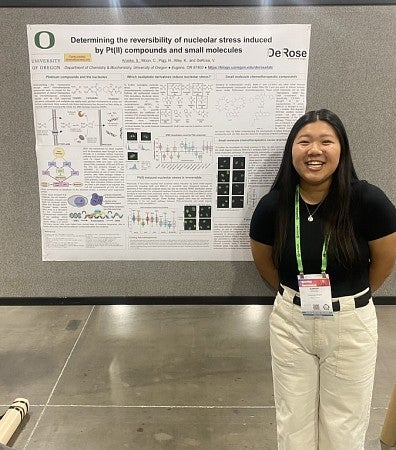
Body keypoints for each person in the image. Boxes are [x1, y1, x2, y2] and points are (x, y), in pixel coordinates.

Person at [249, 109, 396, 450]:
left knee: (344, 427)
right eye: (304, 141)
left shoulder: (367, 200)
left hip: (351, 323)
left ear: (341, 150)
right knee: (293, 423)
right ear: (292, 151)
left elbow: (385, 261)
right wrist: (297, 298)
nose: (314, 150)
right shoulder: (274, 206)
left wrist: (349, 299)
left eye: (326, 141)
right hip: (291, 323)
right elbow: (265, 264)